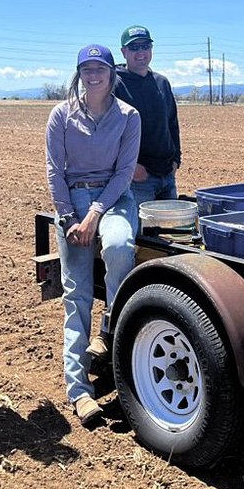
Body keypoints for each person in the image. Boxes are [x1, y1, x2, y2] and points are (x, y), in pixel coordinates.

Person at [46, 44, 140, 425]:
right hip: (72, 201)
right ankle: (79, 391)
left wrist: (95, 214)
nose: (94, 74)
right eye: (87, 68)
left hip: (113, 199)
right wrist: (70, 218)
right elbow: (54, 172)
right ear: (79, 74)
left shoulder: (128, 116)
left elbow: (124, 172)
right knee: (77, 295)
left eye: (100, 67)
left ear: (111, 73)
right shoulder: (61, 115)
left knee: (118, 245)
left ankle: (118, 342)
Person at [114, 25, 181, 209]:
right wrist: (132, 167)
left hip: (167, 175)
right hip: (139, 179)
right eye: (134, 47)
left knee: (171, 233)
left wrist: (176, 160)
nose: (141, 52)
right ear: (123, 51)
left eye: (145, 46)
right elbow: (108, 134)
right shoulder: (115, 84)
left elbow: (172, 124)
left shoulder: (162, 82)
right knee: (140, 235)